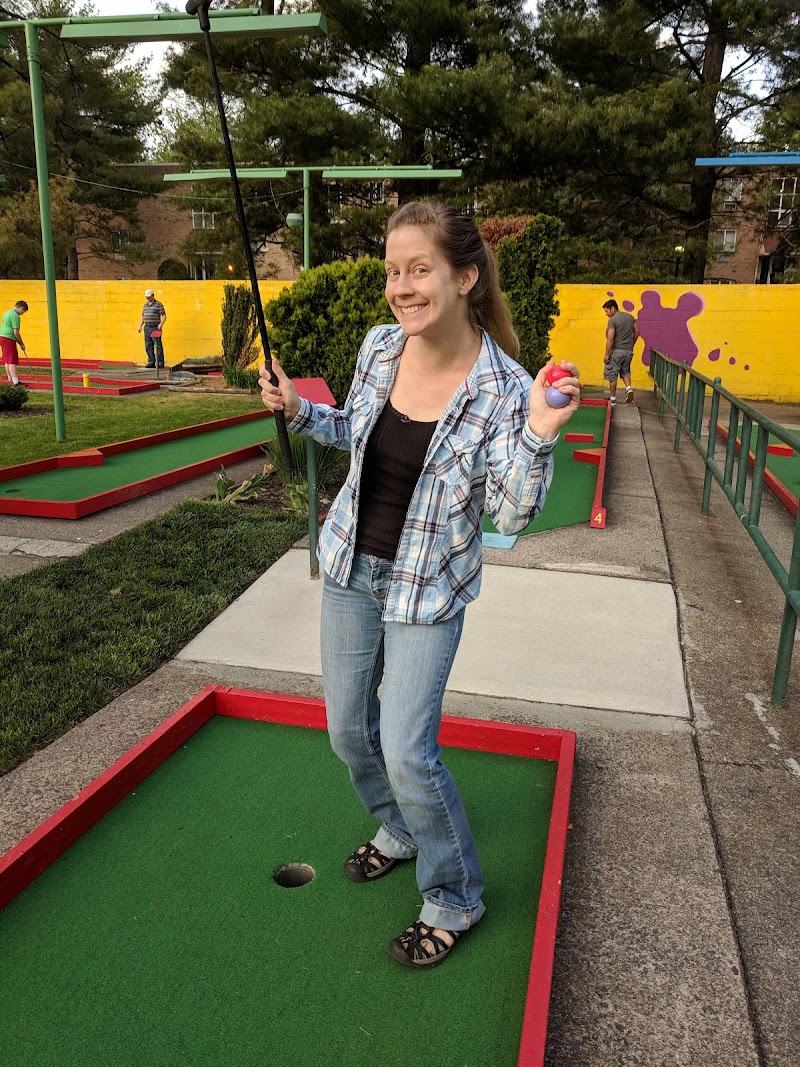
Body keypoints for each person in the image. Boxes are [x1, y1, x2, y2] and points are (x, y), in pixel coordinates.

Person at [258, 200, 579, 969]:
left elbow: (511, 512)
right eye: (392, 270)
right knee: (347, 732)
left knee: (407, 750)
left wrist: (539, 432)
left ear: (465, 276)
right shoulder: (380, 347)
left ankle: (455, 894)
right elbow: (355, 430)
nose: (400, 286)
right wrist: (300, 411)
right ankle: (399, 827)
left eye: (419, 269)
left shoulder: (504, 388)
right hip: (350, 569)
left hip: (427, 590)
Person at [602, 298, 638, 405]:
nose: (606, 314)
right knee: (625, 372)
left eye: (607, 311)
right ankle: (629, 388)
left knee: (612, 375)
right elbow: (637, 332)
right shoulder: (630, 317)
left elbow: (610, 338)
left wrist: (606, 354)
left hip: (616, 352)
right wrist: (631, 345)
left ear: (613, 308)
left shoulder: (613, 320)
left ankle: (613, 399)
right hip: (628, 352)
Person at [1, 300, 29, 385]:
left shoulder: (7, 312)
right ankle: (16, 382)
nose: (22, 314)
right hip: (8, 338)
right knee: (11, 360)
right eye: (23, 312)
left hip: (2, 336)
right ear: (21, 308)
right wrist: (21, 343)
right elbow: (16, 332)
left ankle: (10, 378)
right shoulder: (15, 316)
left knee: (7, 359)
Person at [137, 288, 166, 368]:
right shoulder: (145, 305)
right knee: (148, 345)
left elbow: (164, 315)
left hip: (155, 328)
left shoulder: (158, 304)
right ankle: (151, 361)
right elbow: (143, 316)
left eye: (149, 297)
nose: (147, 298)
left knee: (157, 345)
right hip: (147, 327)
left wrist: (161, 324)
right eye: (146, 297)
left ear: (153, 295)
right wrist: (140, 326)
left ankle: (160, 362)